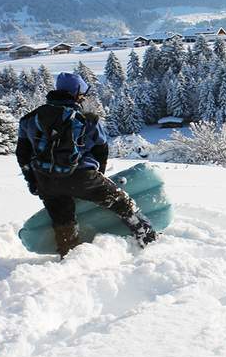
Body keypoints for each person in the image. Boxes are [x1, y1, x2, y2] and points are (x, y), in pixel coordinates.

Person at [16, 72, 157, 258]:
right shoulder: (87, 119)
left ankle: (69, 255)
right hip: (82, 177)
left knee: (63, 221)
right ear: (76, 93)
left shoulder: (29, 119)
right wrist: (98, 178)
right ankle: (146, 237)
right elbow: (101, 150)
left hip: (46, 181)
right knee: (120, 202)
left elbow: (22, 154)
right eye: (81, 93)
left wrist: (33, 182)